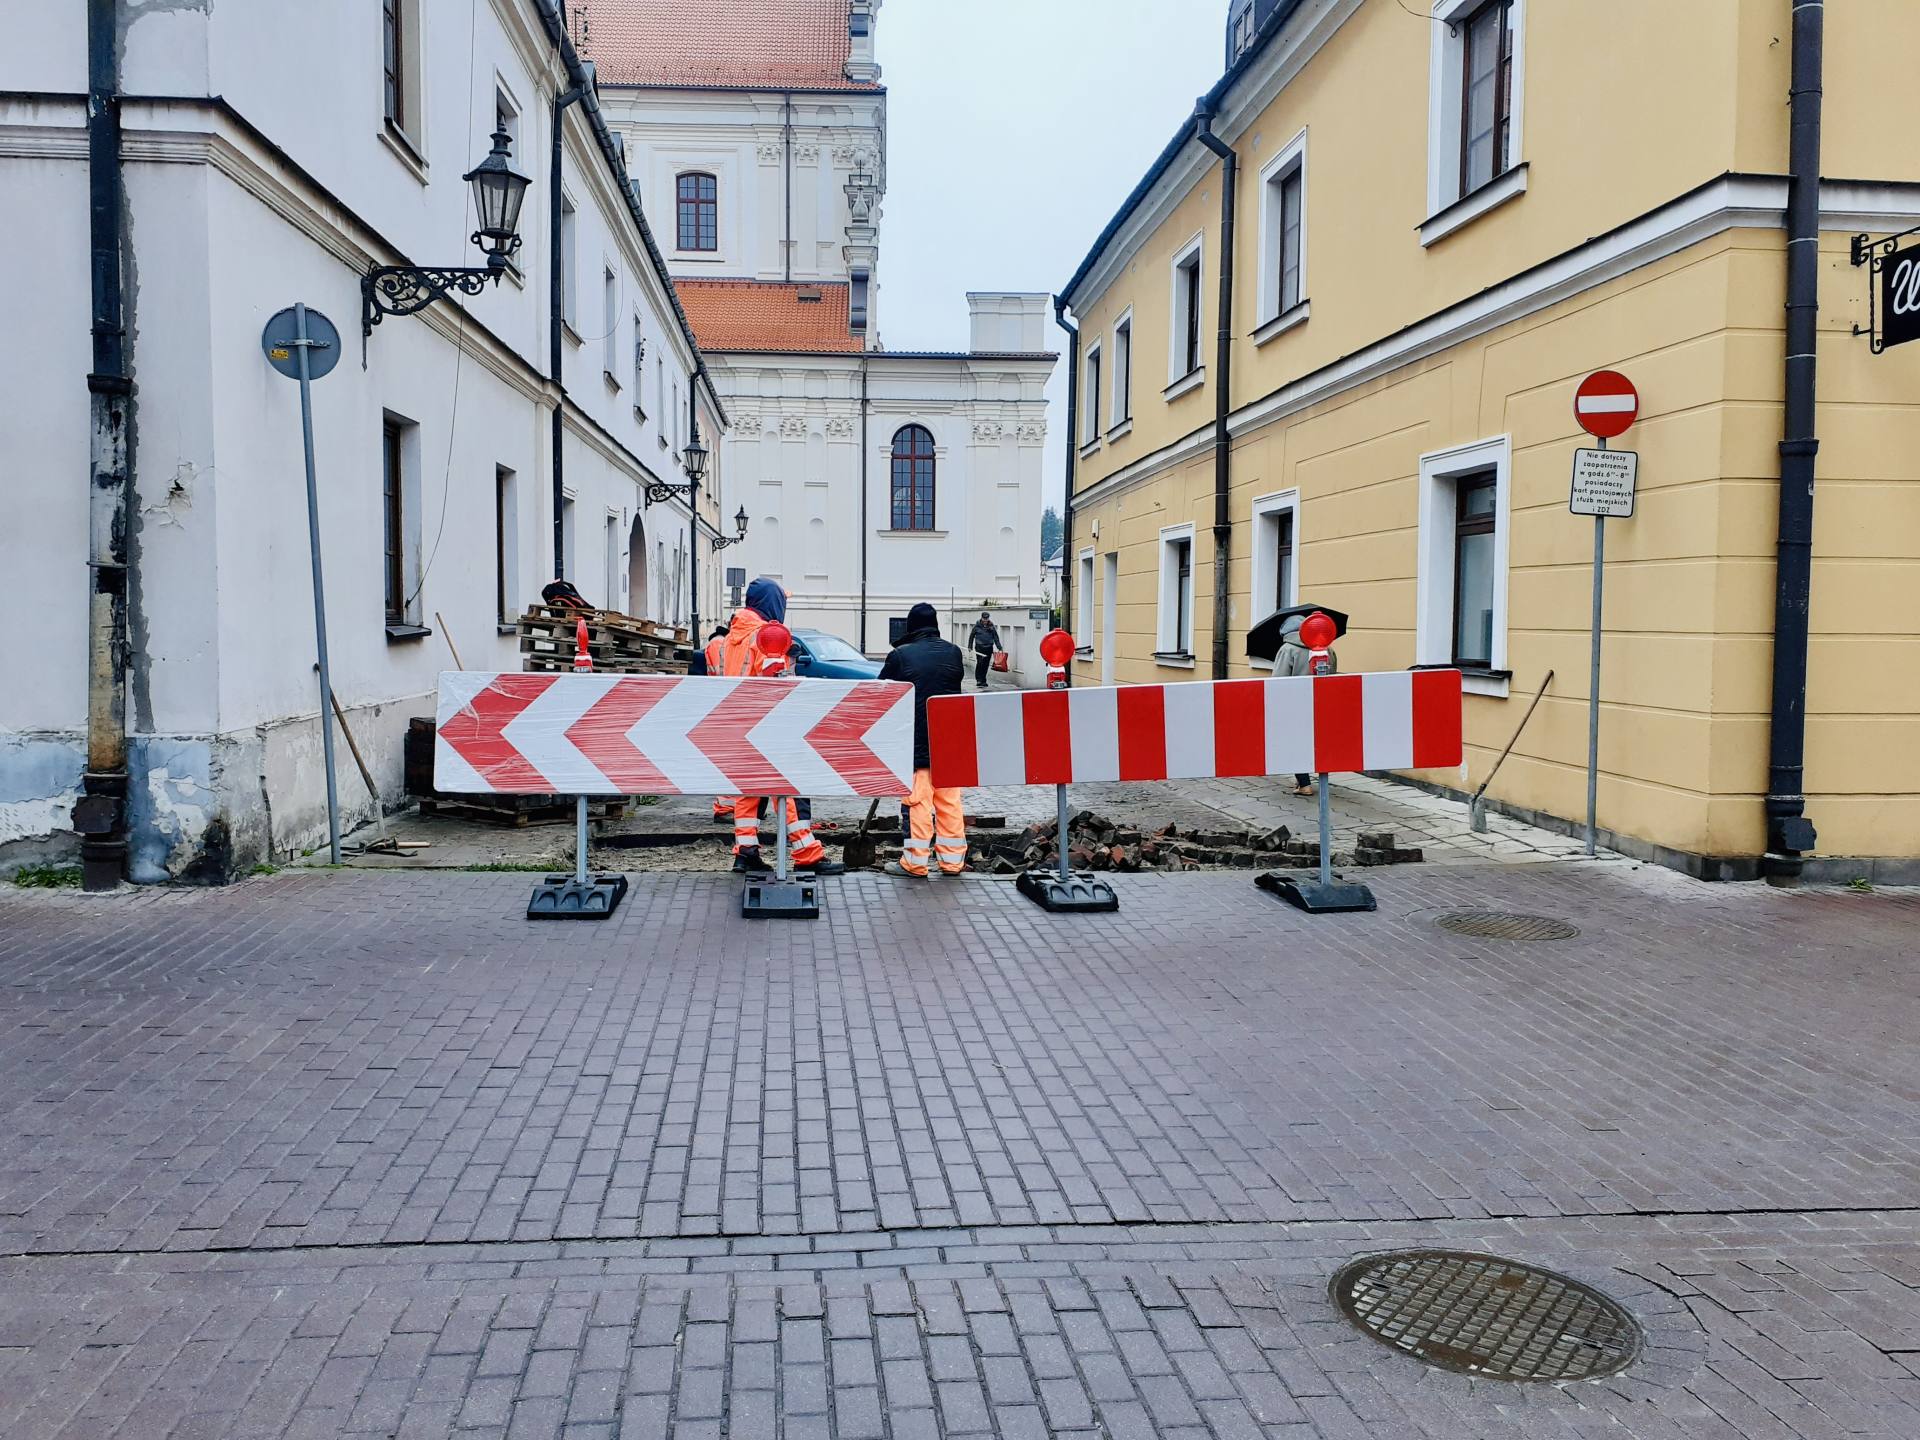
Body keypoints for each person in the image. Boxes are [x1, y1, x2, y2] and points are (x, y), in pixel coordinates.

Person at [721, 579, 843, 875]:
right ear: (771, 602)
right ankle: (807, 855)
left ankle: (746, 851)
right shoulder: (766, 635)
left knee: (748, 792)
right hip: (766, 726)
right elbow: (774, 685)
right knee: (789, 788)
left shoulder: (732, 637)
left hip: (738, 722)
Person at [880, 602, 967, 878]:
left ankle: (915, 862)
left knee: (918, 801)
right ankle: (952, 861)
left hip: (915, 742)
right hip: (949, 742)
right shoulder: (954, 653)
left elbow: (882, 693)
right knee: (949, 801)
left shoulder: (900, 656)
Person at [1274, 614, 1336, 796]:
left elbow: (1278, 681)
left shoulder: (1287, 649)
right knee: (1317, 740)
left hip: (1294, 705)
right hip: (1321, 704)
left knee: (1295, 742)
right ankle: (1321, 777)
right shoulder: (1327, 649)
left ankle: (1304, 784)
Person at [690, 623, 733, 822]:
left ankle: (730, 807)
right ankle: (724, 808)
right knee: (727, 761)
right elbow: (723, 672)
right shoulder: (720, 644)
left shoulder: (719, 643)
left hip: (723, 701)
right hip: (724, 702)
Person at [968, 611, 1001, 691]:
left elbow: (995, 637)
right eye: (984, 618)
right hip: (979, 648)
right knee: (980, 663)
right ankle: (979, 680)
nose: (985, 620)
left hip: (989, 647)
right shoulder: (977, 626)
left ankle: (983, 680)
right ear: (981, 618)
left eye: (987, 619)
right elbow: (971, 636)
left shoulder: (991, 626)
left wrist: (999, 647)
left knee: (986, 665)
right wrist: (970, 646)